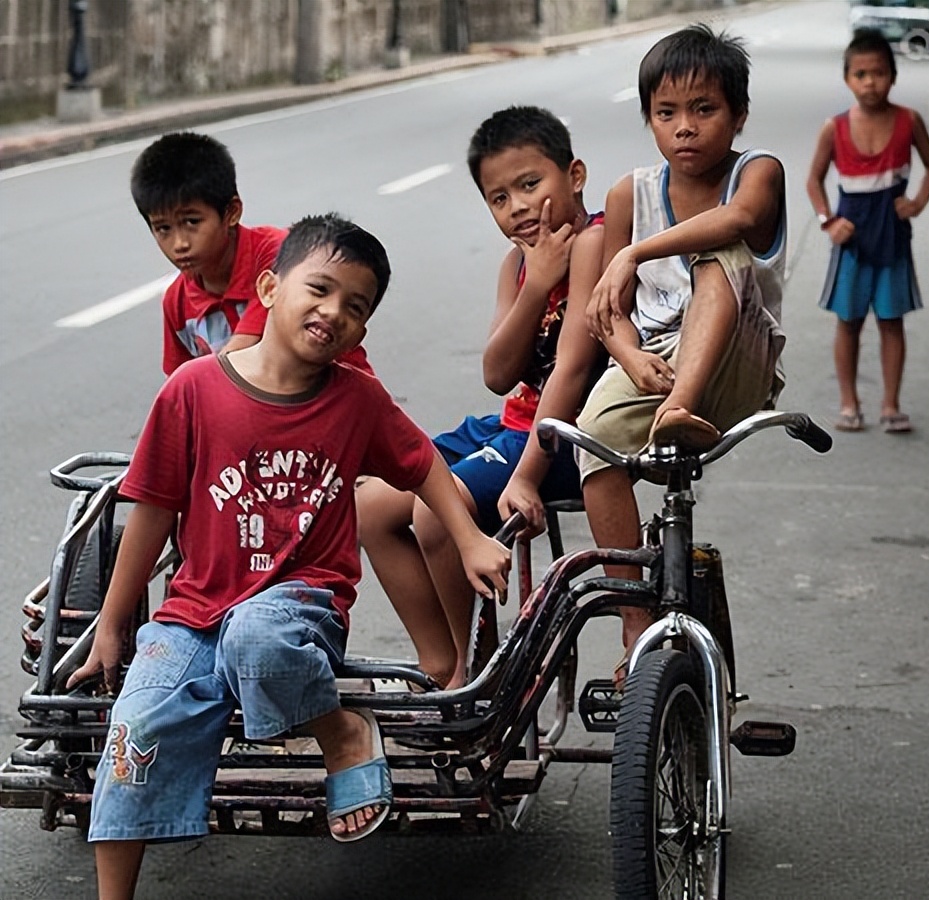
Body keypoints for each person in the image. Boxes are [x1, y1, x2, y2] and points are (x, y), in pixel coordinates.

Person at [66, 214, 511, 899]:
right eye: (321, 290)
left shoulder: (356, 399)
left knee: (258, 639)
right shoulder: (192, 391)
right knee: (133, 732)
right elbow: (151, 512)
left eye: (355, 307)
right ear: (270, 288)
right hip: (194, 612)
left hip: (300, 602)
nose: (334, 313)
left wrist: (472, 536)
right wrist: (113, 624)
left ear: (363, 328)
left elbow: (422, 462)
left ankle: (341, 732)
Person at [358, 106, 605, 690]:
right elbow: (498, 371)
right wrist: (538, 280)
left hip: (564, 441)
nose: (517, 206)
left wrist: (526, 473)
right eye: (498, 198)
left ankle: (464, 682)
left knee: (434, 513)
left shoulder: (594, 242)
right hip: (510, 424)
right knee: (368, 504)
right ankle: (441, 659)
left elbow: (570, 371)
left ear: (574, 175)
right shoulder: (518, 264)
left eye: (529, 184)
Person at [581, 24, 787, 671]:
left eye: (704, 109)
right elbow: (603, 310)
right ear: (649, 119)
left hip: (734, 363)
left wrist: (638, 252)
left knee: (717, 250)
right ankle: (635, 631)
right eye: (667, 113)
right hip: (653, 363)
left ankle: (681, 408)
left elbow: (740, 224)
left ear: (738, 114)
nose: (685, 128)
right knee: (592, 447)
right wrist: (629, 356)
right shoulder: (628, 194)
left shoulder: (758, 172)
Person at [130, 132, 370, 375]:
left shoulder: (282, 253)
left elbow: (239, 353)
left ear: (232, 212)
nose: (179, 243)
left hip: (339, 396)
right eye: (163, 228)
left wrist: (200, 386)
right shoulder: (176, 300)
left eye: (192, 222)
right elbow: (180, 382)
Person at [806, 29, 929, 434]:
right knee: (848, 321)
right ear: (848, 79)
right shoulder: (835, 128)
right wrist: (827, 221)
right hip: (852, 240)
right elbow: (813, 179)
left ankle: (891, 404)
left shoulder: (908, 121)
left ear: (893, 76)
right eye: (861, 74)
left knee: (891, 320)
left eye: (879, 73)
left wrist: (917, 203)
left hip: (894, 236)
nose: (870, 82)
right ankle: (849, 403)